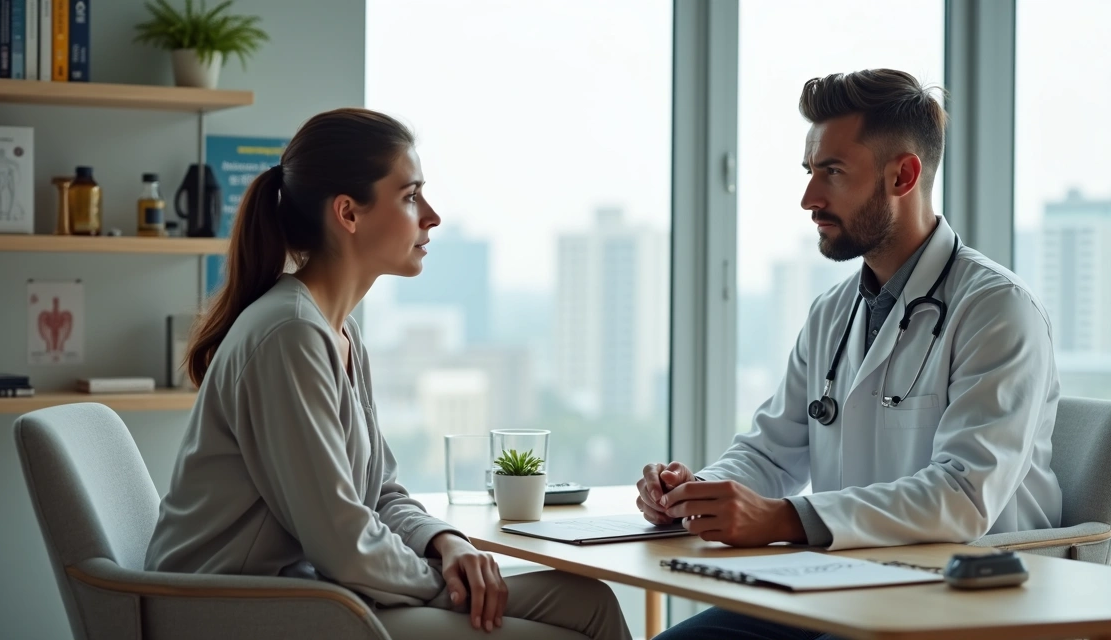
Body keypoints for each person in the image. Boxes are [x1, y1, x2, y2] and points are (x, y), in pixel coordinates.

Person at [146, 107, 632, 640]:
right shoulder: (289, 334)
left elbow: (379, 491)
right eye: (409, 196)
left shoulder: (339, 331)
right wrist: (445, 584)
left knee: (587, 601)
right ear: (348, 214)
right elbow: (342, 541)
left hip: (310, 591)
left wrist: (445, 542)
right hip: (238, 611)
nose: (431, 216)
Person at [638, 70, 1062, 639]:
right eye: (811, 171)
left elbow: (962, 497)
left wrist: (786, 518)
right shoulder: (832, 311)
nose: (809, 198)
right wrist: (699, 495)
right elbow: (770, 453)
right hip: (841, 586)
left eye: (832, 172)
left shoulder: (996, 309)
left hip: (965, 600)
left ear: (903, 174)